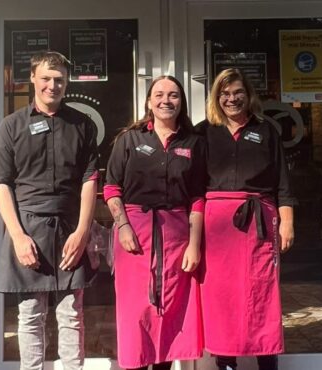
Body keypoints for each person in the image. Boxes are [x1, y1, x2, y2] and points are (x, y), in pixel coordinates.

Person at [0, 51, 99, 370]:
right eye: (47, 78)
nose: (54, 85)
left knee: (71, 313)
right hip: (27, 226)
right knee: (30, 315)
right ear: (33, 80)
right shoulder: (11, 126)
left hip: (69, 226)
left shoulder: (83, 125)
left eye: (60, 80)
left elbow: (90, 180)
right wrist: (18, 236)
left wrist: (82, 232)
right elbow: (1, 183)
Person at [195, 68, 296, 370]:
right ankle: (226, 362)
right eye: (225, 93)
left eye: (237, 92)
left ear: (248, 94)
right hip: (216, 226)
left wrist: (287, 222)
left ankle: (267, 361)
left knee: (261, 295)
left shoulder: (266, 130)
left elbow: (282, 183)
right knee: (222, 298)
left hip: (259, 223)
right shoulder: (203, 132)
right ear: (216, 97)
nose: (232, 98)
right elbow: (192, 185)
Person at [103, 75, 207, 370]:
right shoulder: (130, 140)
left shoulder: (194, 144)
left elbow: (198, 197)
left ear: (182, 102)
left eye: (173, 95)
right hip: (135, 233)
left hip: (177, 236)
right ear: (149, 102)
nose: (166, 100)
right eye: (159, 94)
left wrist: (194, 245)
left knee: (169, 312)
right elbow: (111, 188)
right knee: (137, 312)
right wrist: (123, 227)